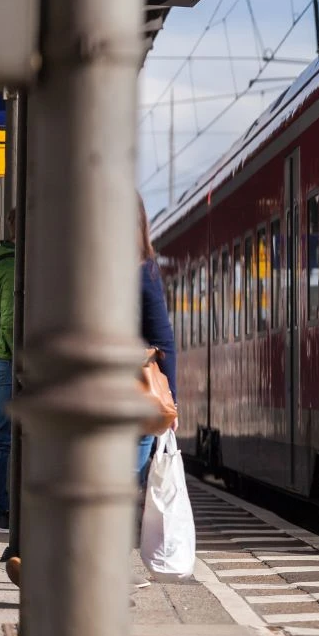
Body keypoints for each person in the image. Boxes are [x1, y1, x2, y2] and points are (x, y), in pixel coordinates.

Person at [136, 197, 176, 590]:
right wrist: (171, 400)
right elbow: (163, 340)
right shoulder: (143, 268)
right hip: (136, 395)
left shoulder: (70, 261)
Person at [0, 211, 15, 531]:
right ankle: (2, 508)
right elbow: (11, 322)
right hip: (7, 359)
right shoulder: (13, 265)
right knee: (4, 438)